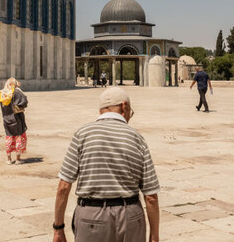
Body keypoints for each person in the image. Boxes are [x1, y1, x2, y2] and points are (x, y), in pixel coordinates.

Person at [53, 87, 160, 242]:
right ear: (124, 106)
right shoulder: (137, 138)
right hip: (130, 217)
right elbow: (151, 197)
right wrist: (154, 237)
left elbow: (63, 186)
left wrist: (58, 228)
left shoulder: (83, 134)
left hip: (91, 217)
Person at [0, 77, 28, 164]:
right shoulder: (16, 92)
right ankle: (18, 159)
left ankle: (9, 159)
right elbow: (24, 102)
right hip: (17, 118)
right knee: (19, 137)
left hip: (6, 118)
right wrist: (18, 89)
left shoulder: (2, 93)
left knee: (9, 137)